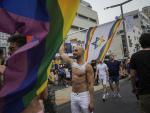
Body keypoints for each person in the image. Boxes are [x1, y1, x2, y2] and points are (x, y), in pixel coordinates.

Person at [0, 34, 47, 113]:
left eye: (12, 49)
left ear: (23, 49)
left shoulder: (5, 71)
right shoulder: (38, 69)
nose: (9, 52)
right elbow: (44, 96)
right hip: (37, 109)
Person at [59, 44, 94, 113]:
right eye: (73, 50)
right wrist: (62, 39)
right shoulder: (72, 63)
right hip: (74, 95)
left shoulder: (87, 66)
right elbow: (61, 53)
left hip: (84, 96)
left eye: (76, 50)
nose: (73, 52)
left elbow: (90, 84)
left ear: (82, 52)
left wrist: (91, 101)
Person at [130, 33, 150, 113]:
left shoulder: (135, 56)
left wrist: (134, 88)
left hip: (144, 92)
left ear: (140, 43)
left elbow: (132, 75)